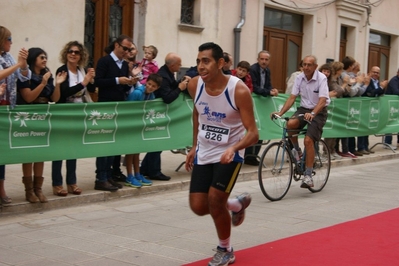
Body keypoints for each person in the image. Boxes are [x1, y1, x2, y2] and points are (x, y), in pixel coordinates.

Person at [185, 42, 259, 266]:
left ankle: (225, 249)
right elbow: (198, 115)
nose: (200, 66)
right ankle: (236, 205)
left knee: (216, 200)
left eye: (205, 61)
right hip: (205, 150)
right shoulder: (194, 85)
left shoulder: (238, 90)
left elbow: (253, 133)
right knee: (198, 206)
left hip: (231, 152)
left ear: (220, 63)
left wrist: (234, 148)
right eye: (198, 61)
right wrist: (194, 145)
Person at [271, 55, 330, 188]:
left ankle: (308, 175)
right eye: (304, 64)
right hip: (304, 109)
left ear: (315, 66)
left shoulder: (321, 78)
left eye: (309, 65)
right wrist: (280, 113)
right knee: (290, 124)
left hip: (319, 111)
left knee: (308, 140)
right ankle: (297, 151)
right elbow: (292, 97)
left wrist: (313, 113)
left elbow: (322, 100)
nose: (306, 67)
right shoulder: (299, 78)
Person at [17, 47, 66, 203]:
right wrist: (42, 83)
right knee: (28, 154)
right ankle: (29, 190)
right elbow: (29, 97)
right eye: (41, 57)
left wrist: (57, 84)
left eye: (45, 57)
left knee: (40, 154)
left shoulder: (48, 75)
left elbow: (55, 99)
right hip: (30, 115)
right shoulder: (26, 76)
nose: (45, 60)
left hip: (44, 115)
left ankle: (38, 189)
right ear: (33, 59)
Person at [51, 41, 96, 196]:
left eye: (76, 52)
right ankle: (57, 184)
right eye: (70, 51)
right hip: (63, 115)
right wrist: (83, 83)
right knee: (59, 150)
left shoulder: (81, 71)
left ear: (81, 56)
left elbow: (89, 90)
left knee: (73, 149)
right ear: (66, 53)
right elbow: (64, 93)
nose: (73, 54)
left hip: (78, 114)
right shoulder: (62, 70)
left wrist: (90, 80)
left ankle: (71, 182)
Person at [94, 35, 136, 191]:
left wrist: (130, 83)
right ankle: (101, 177)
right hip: (106, 106)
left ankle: (109, 175)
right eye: (125, 48)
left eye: (129, 49)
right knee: (104, 142)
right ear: (116, 46)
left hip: (119, 106)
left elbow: (122, 88)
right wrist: (118, 80)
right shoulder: (104, 61)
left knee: (113, 143)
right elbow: (98, 81)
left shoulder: (124, 65)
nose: (126, 52)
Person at [140, 52, 191, 181]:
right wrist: (179, 88)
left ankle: (145, 168)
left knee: (157, 143)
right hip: (156, 113)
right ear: (172, 65)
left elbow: (171, 87)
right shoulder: (163, 76)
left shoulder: (168, 73)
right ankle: (154, 171)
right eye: (179, 64)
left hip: (160, 113)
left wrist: (181, 82)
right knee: (158, 142)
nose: (180, 66)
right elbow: (167, 98)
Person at [0, 25, 31, 205]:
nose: (11, 42)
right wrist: (18, 65)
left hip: (6, 108)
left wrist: (24, 64)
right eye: (9, 39)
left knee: (2, 152)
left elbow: (24, 77)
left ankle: (1, 188)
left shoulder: (9, 57)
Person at [124, 73, 163, 187]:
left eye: (153, 86)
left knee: (137, 151)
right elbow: (127, 108)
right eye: (149, 84)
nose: (150, 87)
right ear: (146, 82)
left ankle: (137, 174)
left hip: (140, 126)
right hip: (131, 125)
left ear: (157, 88)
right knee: (130, 151)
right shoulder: (137, 93)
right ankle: (130, 176)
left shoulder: (151, 96)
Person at [244, 50, 278, 166]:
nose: (264, 62)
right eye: (262, 59)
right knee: (253, 128)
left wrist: (272, 90)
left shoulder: (267, 70)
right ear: (258, 59)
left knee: (261, 129)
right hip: (253, 102)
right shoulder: (253, 69)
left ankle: (253, 156)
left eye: (266, 59)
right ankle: (249, 155)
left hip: (262, 104)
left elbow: (268, 85)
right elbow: (255, 88)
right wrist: (268, 92)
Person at [358, 66, 388, 155]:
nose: (375, 74)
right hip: (365, 106)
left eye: (377, 73)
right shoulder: (367, 81)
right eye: (374, 72)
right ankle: (361, 147)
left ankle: (366, 146)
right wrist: (381, 88)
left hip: (372, 108)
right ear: (370, 72)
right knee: (363, 127)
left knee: (368, 127)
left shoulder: (378, 82)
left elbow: (379, 93)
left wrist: (382, 88)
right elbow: (370, 93)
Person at [383, 68, 399, 150]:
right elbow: (396, 91)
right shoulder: (394, 80)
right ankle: (387, 142)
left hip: (397, 106)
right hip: (390, 105)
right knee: (390, 123)